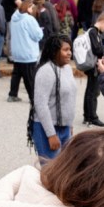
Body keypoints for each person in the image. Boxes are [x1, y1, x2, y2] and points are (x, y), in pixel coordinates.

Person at [31, 34, 77, 162]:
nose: (69, 53)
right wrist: (51, 134)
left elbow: (69, 99)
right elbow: (40, 104)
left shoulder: (67, 69)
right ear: (54, 51)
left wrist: (70, 124)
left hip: (64, 128)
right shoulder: (46, 71)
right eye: (65, 50)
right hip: (46, 128)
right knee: (50, 169)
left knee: (64, 167)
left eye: (70, 49)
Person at [80, 11, 104, 127]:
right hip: (93, 65)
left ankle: (87, 115)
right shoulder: (93, 32)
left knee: (90, 91)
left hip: (92, 64)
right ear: (103, 22)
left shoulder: (94, 32)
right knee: (93, 92)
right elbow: (97, 50)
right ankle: (92, 117)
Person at [7, 0, 44, 103]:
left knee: (16, 75)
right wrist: (40, 30)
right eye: (32, 8)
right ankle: (33, 98)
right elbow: (37, 35)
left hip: (17, 52)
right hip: (28, 52)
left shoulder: (14, 17)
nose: (33, 11)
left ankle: (12, 94)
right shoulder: (29, 19)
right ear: (28, 8)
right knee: (29, 77)